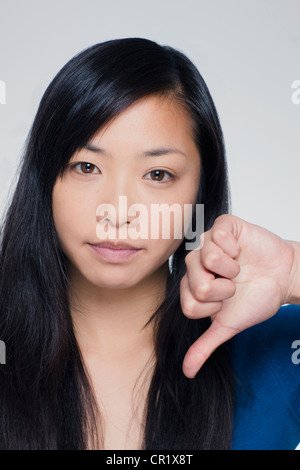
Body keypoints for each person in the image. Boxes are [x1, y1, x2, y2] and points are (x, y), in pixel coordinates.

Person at [0, 37, 298, 451]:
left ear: (200, 190)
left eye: (157, 174)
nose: (118, 211)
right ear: (45, 180)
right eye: (87, 167)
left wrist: (293, 271)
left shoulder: (273, 356)